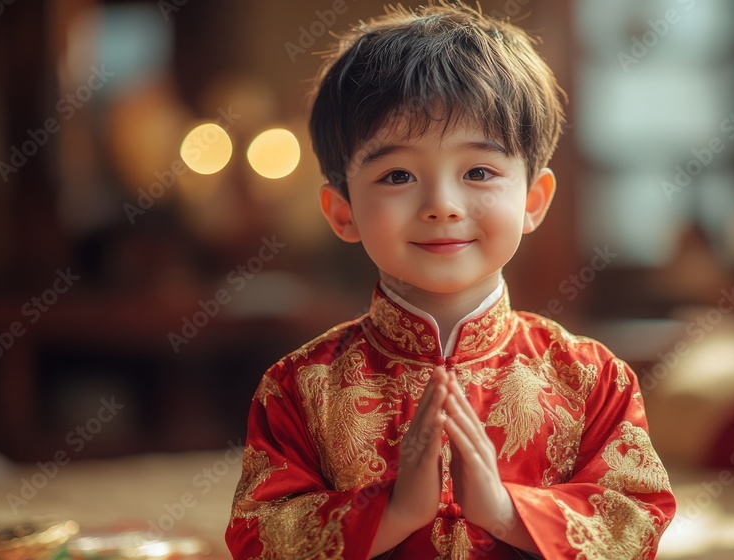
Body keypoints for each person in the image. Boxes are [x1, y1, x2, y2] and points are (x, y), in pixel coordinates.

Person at [225, 3, 675, 558]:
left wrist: (506, 513)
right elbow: (258, 532)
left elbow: (637, 518)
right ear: (342, 212)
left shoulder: (595, 380)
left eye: (478, 172)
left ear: (534, 201)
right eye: (398, 175)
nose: (441, 205)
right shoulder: (298, 388)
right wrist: (393, 513)